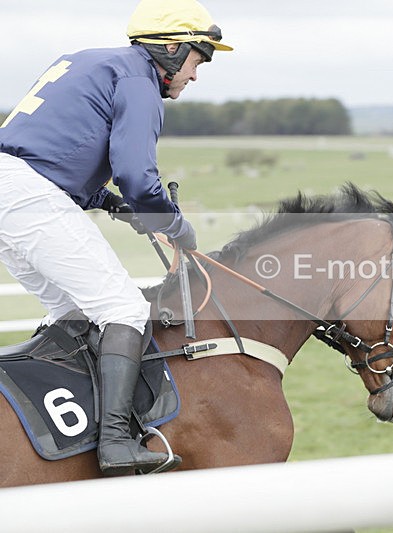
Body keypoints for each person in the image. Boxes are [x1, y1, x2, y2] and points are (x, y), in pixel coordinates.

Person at [0, 0, 232, 475]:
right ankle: (114, 444)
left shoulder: (89, 59)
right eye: (198, 58)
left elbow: (55, 149)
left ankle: (61, 435)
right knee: (124, 309)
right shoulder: (139, 82)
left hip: (13, 187)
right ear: (171, 48)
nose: (197, 73)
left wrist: (108, 203)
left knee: (75, 315)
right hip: (26, 195)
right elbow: (136, 174)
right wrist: (174, 224)